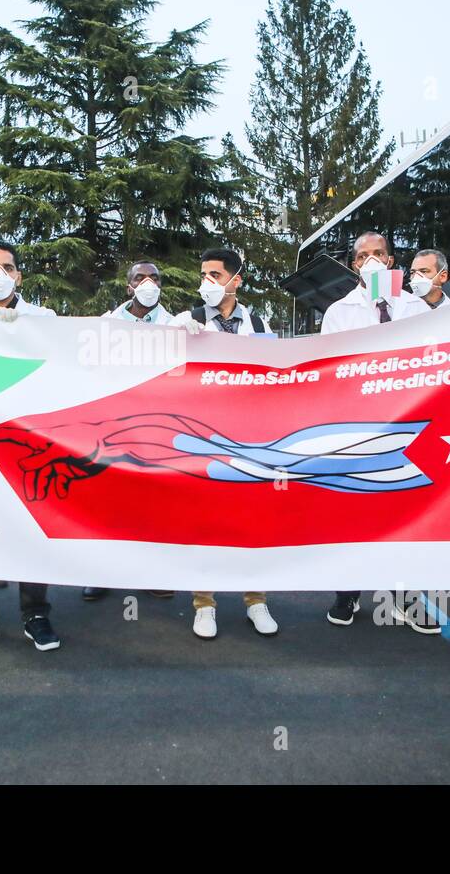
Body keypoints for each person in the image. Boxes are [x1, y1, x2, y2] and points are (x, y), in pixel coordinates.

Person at [319, 232, 440, 634]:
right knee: (353, 511)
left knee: (403, 512)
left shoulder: (415, 306)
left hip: (408, 423)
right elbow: (331, 370)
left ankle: (404, 596)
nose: (370, 261)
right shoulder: (339, 311)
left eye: (377, 254)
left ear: (390, 261)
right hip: (358, 425)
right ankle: (347, 593)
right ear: (354, 265)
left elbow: (438, 354)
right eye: (362, 256)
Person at [171, 248, 279, 639]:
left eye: (215, 275)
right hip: (205, 434)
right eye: (203, 275)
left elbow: (274, 375)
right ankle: (204, 604)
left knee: (253, 518)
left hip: (251, 434)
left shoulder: (260, 322)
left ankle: (256, 599)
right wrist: (179, 340)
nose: (207, 283)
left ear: (236, 281)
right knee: (206, 519)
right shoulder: (188, 321)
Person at [0, 240, 62, 652]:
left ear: (19, 276)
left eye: (8, 267)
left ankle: (35, 612)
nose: (0, 275)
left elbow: (61, 369)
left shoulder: (44, 318)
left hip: (26, 440)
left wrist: (28, 336)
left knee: (30, 523)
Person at [82, 261, 176, 602]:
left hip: (155, 426)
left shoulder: (175, 326)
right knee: (107, 498)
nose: (148, 283)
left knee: (154, 501)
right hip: (113, 423)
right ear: (128, 286)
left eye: (154, 278)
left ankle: (153, 572)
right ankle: (101, 572)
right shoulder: (105, 326)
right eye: (140, 277)